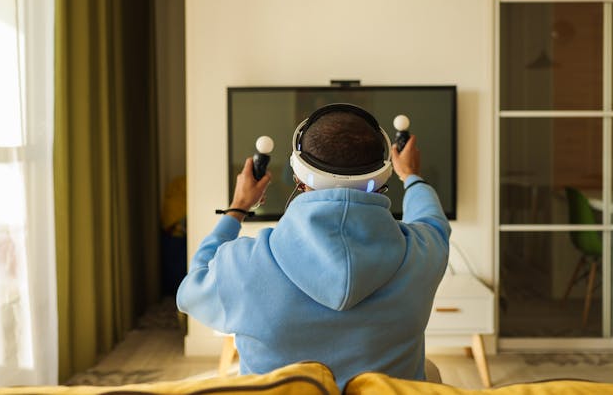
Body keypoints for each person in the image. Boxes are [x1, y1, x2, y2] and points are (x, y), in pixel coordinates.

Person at [176, 104, 451, 389]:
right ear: (382, 176)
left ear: (299, 178)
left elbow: (189, 290)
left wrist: (237, 209)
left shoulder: (241, 265)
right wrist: (412, 177)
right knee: (429, 372)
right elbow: (433, 221)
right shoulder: (424, 252)